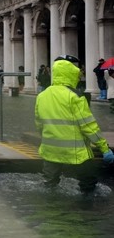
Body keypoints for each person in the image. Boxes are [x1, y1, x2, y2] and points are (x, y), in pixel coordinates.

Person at [35, 56, 114, 193]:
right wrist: (104, 149)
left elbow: (39, 123)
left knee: (49, 184)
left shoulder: (42, 96)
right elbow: (89, 126)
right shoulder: (74, 96)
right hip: (76, 151)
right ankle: (86, 209)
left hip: (50, 149)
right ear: (70, 75)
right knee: (88, 184)